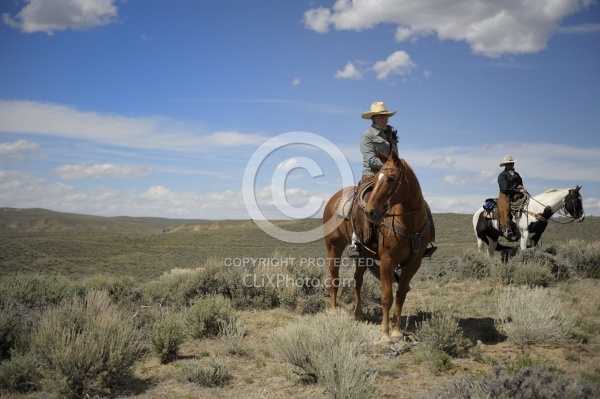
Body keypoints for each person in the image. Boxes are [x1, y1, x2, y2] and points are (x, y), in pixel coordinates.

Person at [348, 102, 437, 258]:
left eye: (386, 116)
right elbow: (370, 159)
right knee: (364, 201)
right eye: (381, 116)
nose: (384, 118)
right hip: (372, 174)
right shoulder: (367, 135)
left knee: (418, 200)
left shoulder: (391, 135)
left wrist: (395, 169)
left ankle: (425, 238)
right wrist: (388, 167)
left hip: (392, 176)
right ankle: (356, 241)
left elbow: (395, 157)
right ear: (373, 118)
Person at [497, 155, 527, 239]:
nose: (511, 165)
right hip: (505, 195)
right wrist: (518, 190)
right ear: (505, 165)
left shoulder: (517, 175)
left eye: (512, 164)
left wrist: (521, 187)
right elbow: (505, 189)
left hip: (517, 194)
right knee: (505, 208)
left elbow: (520, 184)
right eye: (509, 164)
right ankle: (506, 228)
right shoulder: (502, 175)